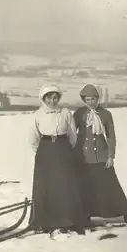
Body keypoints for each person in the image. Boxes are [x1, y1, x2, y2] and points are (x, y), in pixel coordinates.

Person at [73, 83, 127, 224]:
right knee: (86, 187)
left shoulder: (105, 114)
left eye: (93, 99)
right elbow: (72, 133)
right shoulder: (79, 114)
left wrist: (110, 156)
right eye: (87, 99)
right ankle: (86, 217)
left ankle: (126, 214)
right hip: (84, 158)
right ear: (83, 100)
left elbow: (111, 136)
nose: (90, 102)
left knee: (111, 186)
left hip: (102, 157)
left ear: (98, 98)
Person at [29, 85, 89, 235]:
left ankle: (68, 220)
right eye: (49, 97)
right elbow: (33, 138)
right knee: (46, 186)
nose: (52, 100)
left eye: (55, 97)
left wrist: (64, 149)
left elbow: (72, 135)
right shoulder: (37, 115)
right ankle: (45, 221)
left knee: (65, 184)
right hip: (45, 152)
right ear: (43, 98)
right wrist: (44, 152)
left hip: (63, 150)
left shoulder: (65, 113)